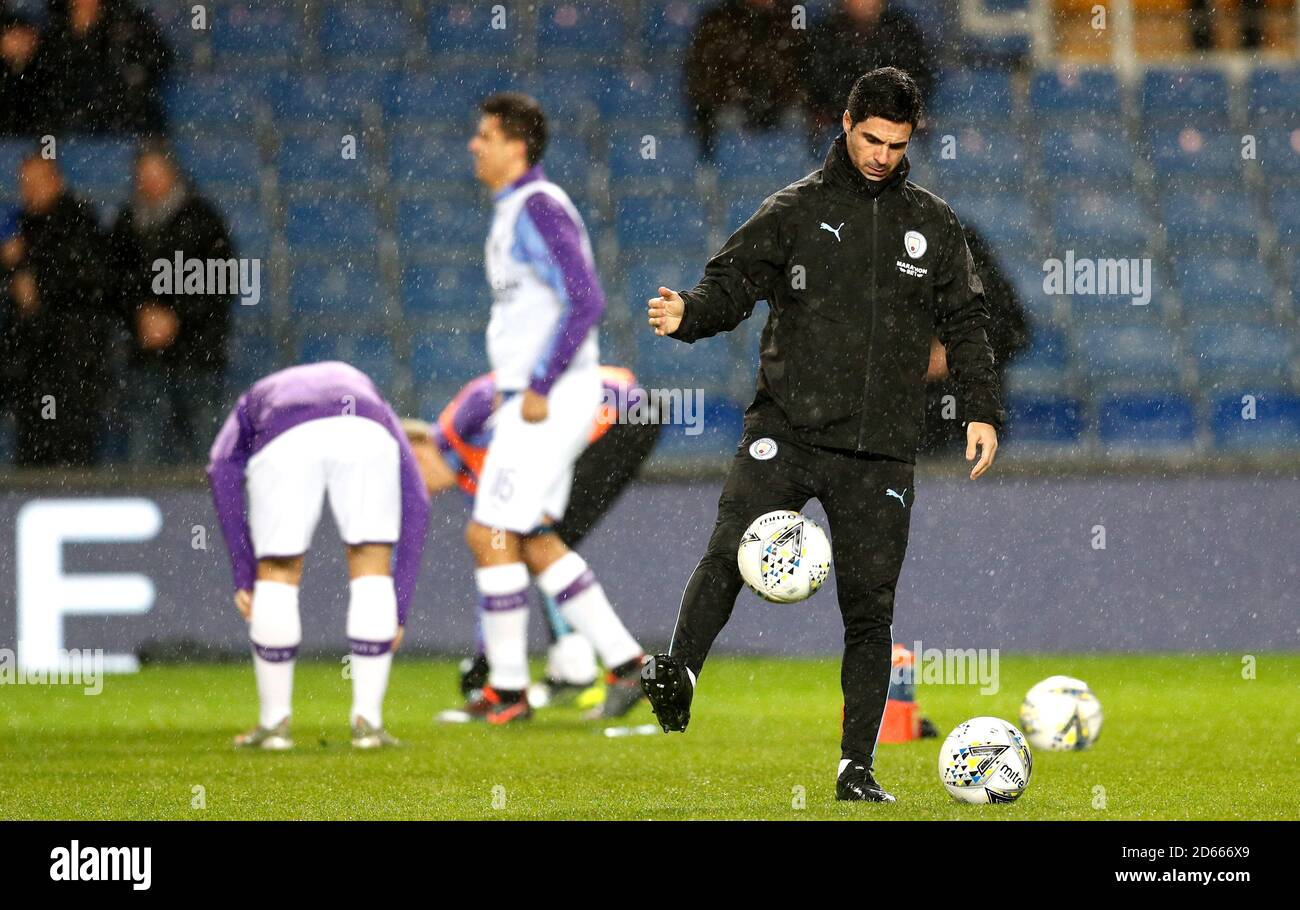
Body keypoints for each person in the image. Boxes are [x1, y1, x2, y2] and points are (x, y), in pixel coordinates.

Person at [641, 68, 1004, 802]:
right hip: (788, 428)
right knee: (729, 550)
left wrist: (981, 409)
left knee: (871, 611)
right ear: (846, 123)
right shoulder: (795, 211)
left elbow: (966, 322)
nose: (880, 154)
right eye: (871, 138)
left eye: (896, 144)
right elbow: (732, 284)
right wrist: (691, 316)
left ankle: (855, 769)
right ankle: (678, 672)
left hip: (880, 450)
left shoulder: (932, 224)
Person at [450, 92, 644, 725]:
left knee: (490, 531)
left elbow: (585, 299)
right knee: (531, 537)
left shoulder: (536, 206)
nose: (474, 146)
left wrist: (539, 383)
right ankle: (627, 664)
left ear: (515, 143)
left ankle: (507, 691)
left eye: (484, 135)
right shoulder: (513, 211)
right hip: (547, 395)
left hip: (547, 398)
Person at [406, 365, 661, 720]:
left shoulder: (461, 421)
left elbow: (503, 391)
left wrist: (486, 657)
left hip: (620, 411)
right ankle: (611, 666)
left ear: (417, 448)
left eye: (411, 477)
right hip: (624, 413)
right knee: (529, 543)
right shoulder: (469, 472)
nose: (420, 492)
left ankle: (541, 680)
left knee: (528, 539)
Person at [206, 361, 431, 750]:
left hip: (284, 432)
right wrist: (399, 608)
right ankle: (368, 725)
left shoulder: (256, 397)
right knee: (370, 559)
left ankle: (275, 725)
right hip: (364, 428)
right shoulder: (369, 392)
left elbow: (220, 468)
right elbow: (418, 501)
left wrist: (246, 574)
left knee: (278, 567)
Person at [108, 142, 234, 464]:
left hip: (197, 359)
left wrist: (176, 318)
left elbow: (224, 285)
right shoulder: (127, 223)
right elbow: (112, 283)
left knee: (205, 454)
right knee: (143, 453)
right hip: (147, 360)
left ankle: (209, 514)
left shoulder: (204, 220)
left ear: (172, 173)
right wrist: (139, 315)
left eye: (154, 173)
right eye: (142, 175)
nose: (148, 182)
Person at [1, 153, 110, 466]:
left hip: (72, 367)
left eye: (37, 182)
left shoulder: (79, 222)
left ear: (57, 182)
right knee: (32, 460)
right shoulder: (20, 227)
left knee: (72, 460)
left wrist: (31, 277)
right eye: (25, 184)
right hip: (32, 370)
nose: (29, 191)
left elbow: (85, 283)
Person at [918, 221, 1028, 456]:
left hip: (971, 421)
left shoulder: (962, 246)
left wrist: (957, 352)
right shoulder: (890, 248)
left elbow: (1015, 330)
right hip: (907, 429)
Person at [683, 0, 809, 160]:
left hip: (780, 108)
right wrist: (739, 99)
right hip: (729, 109)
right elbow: (702, 78)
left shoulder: (791, 18)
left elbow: (803, 71)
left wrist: (774, 100)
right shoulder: (718, 21)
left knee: (797, 118)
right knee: (728, 119)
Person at [804, 0, 936, 148]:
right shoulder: (826, 32)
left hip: (893, 118)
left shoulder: (901, 29)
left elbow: (917, 77)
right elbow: (818, 83)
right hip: (840, 121)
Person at [34, 0, 172, 135]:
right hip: (70, 122)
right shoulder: (54, 30)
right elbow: (49, 79)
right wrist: (80, 33)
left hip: (125, 119)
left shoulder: (128, 24)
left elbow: (158, 60)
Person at [0, 10, 44, 135]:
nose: (18, 43)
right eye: (14, 35)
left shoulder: (44, 73)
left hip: (30, 141)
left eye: (23, 36)